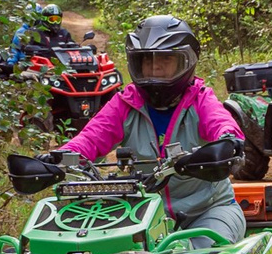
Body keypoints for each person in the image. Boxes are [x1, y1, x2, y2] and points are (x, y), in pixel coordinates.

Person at [56, 15, 249, 240]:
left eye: (165, 59)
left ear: (185, 62)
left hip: (207, 211)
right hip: (141, 215)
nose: (155, 67)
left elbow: (222, 124)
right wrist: (59, 157)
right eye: (147, 60)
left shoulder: (200, 100)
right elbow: (90, 138)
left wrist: (227, 144)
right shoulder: (126, 102)